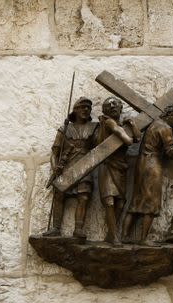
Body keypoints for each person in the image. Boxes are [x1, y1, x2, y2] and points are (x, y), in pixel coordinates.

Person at [122, 104, 173, 244]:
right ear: (172, 116)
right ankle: (143, 239)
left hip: (141, 163)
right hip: (152, 165)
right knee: (152, 201)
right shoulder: (165, 128)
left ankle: (124, 236)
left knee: (136, 200)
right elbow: (171, 153)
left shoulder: (154, 124)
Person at [43, 97, 98, 240]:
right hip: (67, 167)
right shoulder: (65, 129)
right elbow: (54, 153)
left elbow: (99, 147)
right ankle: (56, 228)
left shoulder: (94, 128)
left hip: (85, 168)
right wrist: (55, 168)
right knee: (59, 195)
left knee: (84, 197)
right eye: (82, 107)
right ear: (75, 110)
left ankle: (78, 229)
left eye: (88, 107)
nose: (86, 110)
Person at [95, 97, 140, 244]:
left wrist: (132, 124)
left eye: (115, 104)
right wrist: (125, 131)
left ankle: (111, 233)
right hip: (107, 165)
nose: (112, 106)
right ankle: (114, 236)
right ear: (104, 110)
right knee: (109, 201)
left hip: (121, 166)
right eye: (108, 105)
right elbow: (127, 141)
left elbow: (137, 138)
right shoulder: (108, 122)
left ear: (121, 108)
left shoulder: (121, 124)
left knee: (120, 202)